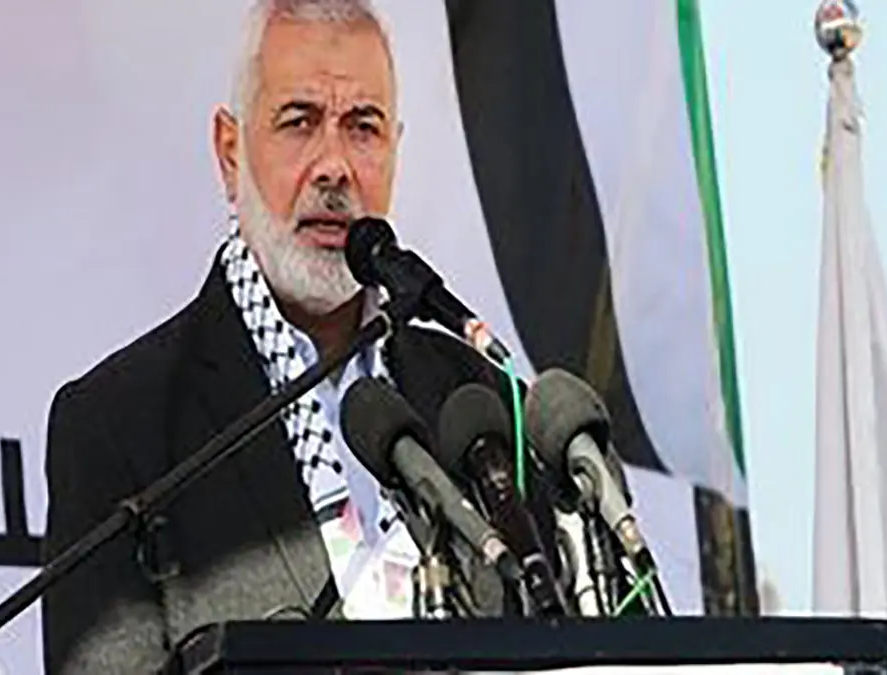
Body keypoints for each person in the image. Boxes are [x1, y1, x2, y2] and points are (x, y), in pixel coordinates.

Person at [40, 1, 560, 672]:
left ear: (395, 150)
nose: (334, 165)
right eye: (299, 121)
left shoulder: (482, 403)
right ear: (230, 151)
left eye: (363, 127)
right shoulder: (117, 424)